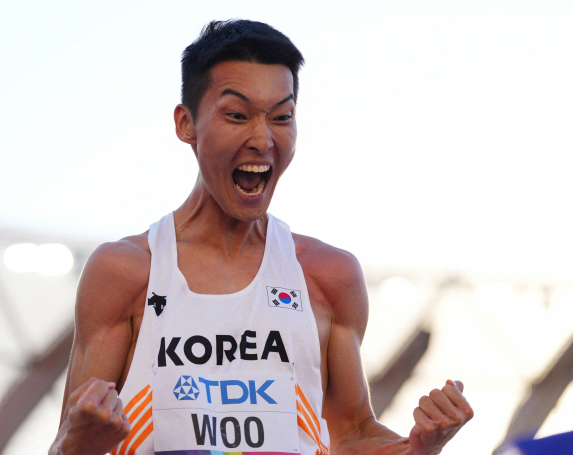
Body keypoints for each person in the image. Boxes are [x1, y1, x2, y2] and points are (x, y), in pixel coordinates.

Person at [49, 20, 473, 455]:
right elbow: (70, 441)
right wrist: (78, 442)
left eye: (281, 117)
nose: (263, 138)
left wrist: (418, 449)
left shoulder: (328, 276)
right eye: (237, 115)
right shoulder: (126, 271)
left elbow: (350, 434)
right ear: (186, 124)